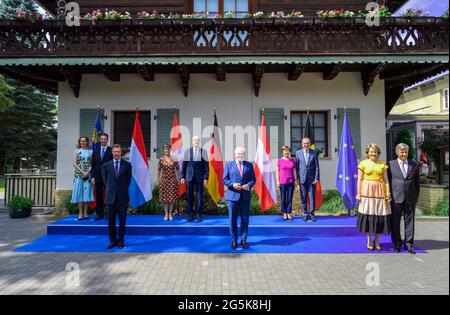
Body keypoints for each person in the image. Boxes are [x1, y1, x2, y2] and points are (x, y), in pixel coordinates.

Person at [356, 143, 392, 252]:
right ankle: (369, 239)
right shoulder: (363, 163)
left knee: (379, 216)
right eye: (371, 151)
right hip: (366, 193)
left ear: (378, 153)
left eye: (375, 152)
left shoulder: (383, 164)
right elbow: (359, 180)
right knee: (368, 216)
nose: (373, 154)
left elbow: (386, 180)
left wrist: (388, 193)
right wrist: (359, 193)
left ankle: (377, 240)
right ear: (367, 153)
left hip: (379, 193)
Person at [388, 143, 420, 254]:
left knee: (410, 222)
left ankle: (409, 244)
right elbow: (388, 181)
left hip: (410, 198)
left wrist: (416, 197)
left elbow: (417, 183)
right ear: (397, 152)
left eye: (406, 152)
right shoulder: (390, 165)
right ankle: (397, 244)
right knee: (395, 222)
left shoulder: (414, 165)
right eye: (402, 152)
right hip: (396, 198)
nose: (404, 154)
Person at [222, 147, 256, 250]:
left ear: (244, 155)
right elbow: (224, 179)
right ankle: (234, 240)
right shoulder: (229, 165)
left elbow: (253, 179)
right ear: (235, 154)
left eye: (242, 154)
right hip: (232, 197)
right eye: (238, 154)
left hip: (245, 197)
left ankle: (244, 240)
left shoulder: (249, 165)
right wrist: (232, 185)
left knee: (245, 219)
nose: (240, 156)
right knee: (232, 220)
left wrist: (249, 185)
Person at [102, 144, 132, 250]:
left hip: (122, 197)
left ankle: (121, 241)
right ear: (112, 152)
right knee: (110, 221)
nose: (116, 153)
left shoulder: (127, 165)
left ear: (121, 153)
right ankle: (112, 241)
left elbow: (128, 180)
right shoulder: (106, 165)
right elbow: (105, 181)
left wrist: (120, 189)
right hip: (110, 197)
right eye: (114, 151)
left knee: (122, 221)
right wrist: (112, 190)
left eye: (118, 151)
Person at [181, 136, 209, 222]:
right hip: (189, 177)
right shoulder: (187, 151)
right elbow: (184, 165)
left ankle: (199, 214)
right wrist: (182, 176)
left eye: (197, 140)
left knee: (200, 197)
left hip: (200, 178)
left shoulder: (203, 152)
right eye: (194, 140)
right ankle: (190, 214)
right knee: (190, 196)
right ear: (192, 141)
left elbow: (206, 166)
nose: (196, 142)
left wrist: (206, 178)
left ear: (199, 142)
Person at [295, 137, 320, 222]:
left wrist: (316, 178)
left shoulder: (314, 153)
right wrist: (297, 179)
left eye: (307, 143)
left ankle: (312, 214)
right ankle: (305, 214)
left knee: (312, 197)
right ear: (302, 144)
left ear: (309, 144)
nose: (306, 145)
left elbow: (317, 167)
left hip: (312, 179)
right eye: (304, 143)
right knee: (303, 197)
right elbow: (297, 167)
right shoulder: (298, 153)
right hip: (302, 179)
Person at [71, 136, 94, 221]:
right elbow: (74, 164)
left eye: (84, 141)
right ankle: (80, 213)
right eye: (81, 141)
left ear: (87, 142)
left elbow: (92, 164)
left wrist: (87, 173)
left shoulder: (91, 152)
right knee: (80, 194)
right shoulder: (76, 151)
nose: (82, 142)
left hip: (87, 176)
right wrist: (82, 172)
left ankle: (85, 213)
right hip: (78, 175)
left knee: (86, 194)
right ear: (79, 142)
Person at [90, 133, 113, 221]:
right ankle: (99, 214)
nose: (103, 140)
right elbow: (93, 165)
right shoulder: (95, 151)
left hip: (108, 177)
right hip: (98, 177)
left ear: (107, 140)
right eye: (102, 139)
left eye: (105, 139)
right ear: (99, 140)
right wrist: (92, 177)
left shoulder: (111, 150)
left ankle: (109, 213)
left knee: (109, 196)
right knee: (99, 196)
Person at [158, 144, 180, 221]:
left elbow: (177, 169)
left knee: (171, 199)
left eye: (168, 149)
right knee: (164, 199)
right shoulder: (161, 159)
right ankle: (166, 214)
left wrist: (178, 179)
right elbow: (159, 170)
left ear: (170, 149)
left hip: (172, 180)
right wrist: (159, 180)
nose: (167, 150)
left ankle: (170, 213)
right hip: (164, 180)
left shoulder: (174, 159)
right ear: (164, 150)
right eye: (165, 149)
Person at [276, 145, 297, 221]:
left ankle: (289, 213)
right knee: (283, 198)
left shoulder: (292, 160)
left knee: (290, 198)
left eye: (287, 150)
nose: (286, 152)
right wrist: (277, 181)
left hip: (291, 181)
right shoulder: (279, 160)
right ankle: (284, 213)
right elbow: (277, 171)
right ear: (282, 152)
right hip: (282, 181)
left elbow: (294, 171)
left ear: (289, 151)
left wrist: (295, 180)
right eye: (284, 151)